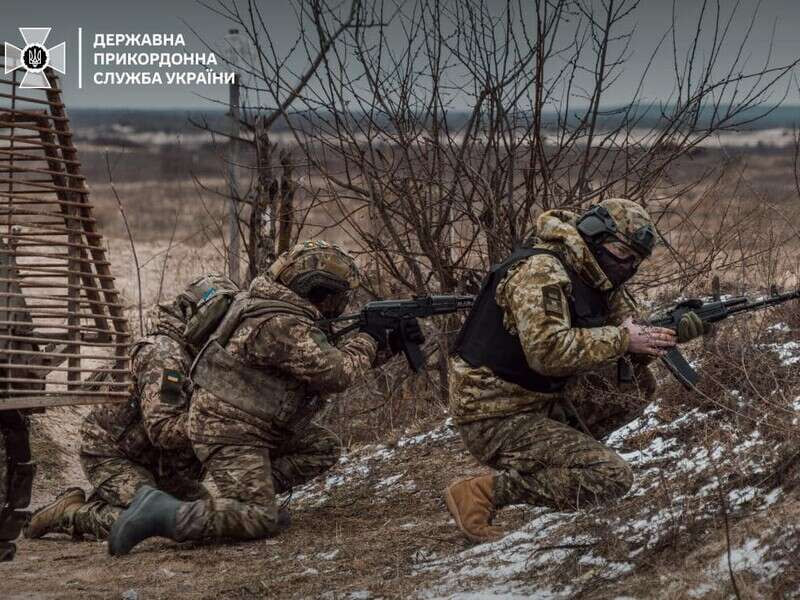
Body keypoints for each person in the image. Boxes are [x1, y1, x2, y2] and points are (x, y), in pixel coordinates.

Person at [108, 240, 421, 555]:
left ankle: (238, 495)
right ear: (319, 292)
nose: (341, 304)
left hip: (251, 427)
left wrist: (385, 348)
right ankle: (163, 513)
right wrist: (368, 339)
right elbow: (335, 374)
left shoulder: (283, 314)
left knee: (321, 447)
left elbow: (316, 371)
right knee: (260, 519)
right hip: (230, 431)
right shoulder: (279, 323)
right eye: (340, 296)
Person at [445, 199, 708, 543]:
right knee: (612, 477)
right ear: (595, 237)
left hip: (538, 396)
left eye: (635, 261)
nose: (627, 266)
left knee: (634, 382)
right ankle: (484, 492)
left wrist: (666, 333)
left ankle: (565, 457)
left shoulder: (596, 274)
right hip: (493, 413)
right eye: (621, 253)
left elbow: (628, 336)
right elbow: (549, 352)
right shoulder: (541, 271)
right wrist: (624, 340)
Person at [24, 274, 239, 541]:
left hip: (155, 462)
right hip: (111, 454)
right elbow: (163, 429)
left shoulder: (192, 352)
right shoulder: (164, 356)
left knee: (202, 515)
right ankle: (71, 513)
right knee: (155, 519)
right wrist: (219, 424)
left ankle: (111, 496)